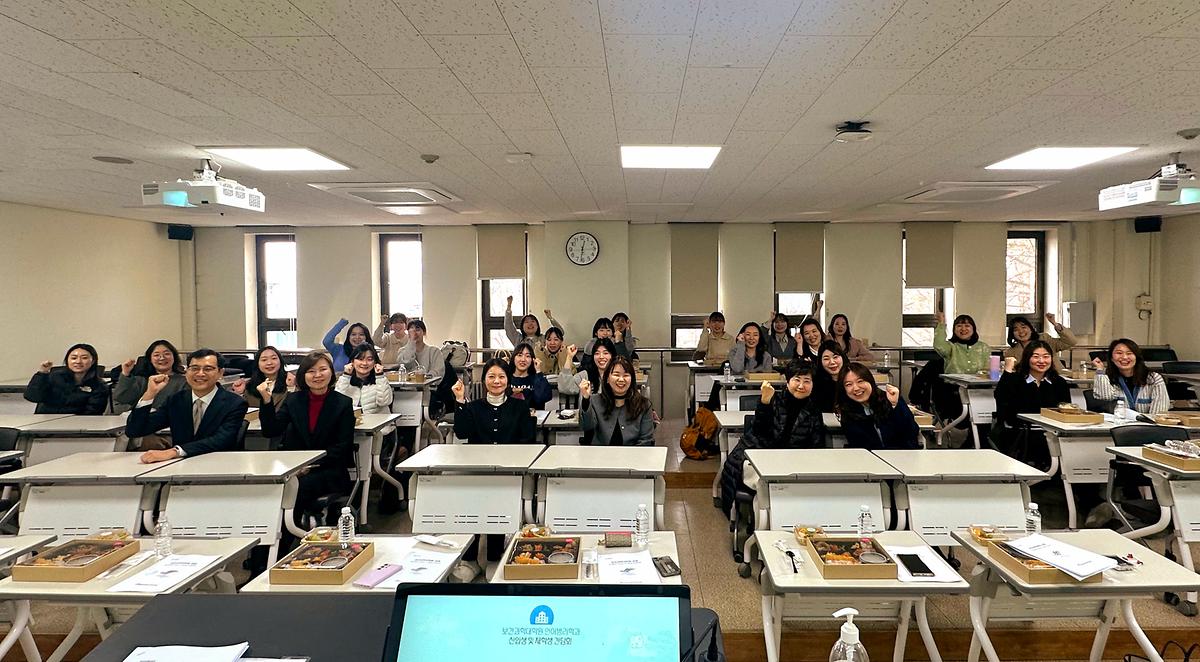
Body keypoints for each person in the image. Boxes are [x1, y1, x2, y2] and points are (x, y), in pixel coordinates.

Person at [257, 351, 356, 522]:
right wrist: (266, 400)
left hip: (328, 470)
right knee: (269, 489)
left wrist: (308, 465)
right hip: (294, 469)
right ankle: (274, 533)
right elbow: (271, 431)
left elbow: (343, 446)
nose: (317, 375)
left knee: (296, 488)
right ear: (303, 375)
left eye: (322, 369)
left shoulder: (343, 403)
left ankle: (287, 534)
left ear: (331, 372)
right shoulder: (293, 400)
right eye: (311, 371)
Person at [720, 362, 825, 514]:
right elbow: (760, 431)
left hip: (791, 463)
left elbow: (817, 446)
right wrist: (764, 402)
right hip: (757, 456)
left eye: (807, 381)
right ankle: (763, 522)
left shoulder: (814, 410)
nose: (801, 386)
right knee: (766, 485)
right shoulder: (773, 399)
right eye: (797, 380)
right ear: (787, 381)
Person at [126, 349, 248, 463]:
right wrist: (150, 393)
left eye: (208, 369)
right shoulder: (176, 400)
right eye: (194, 368)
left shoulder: (234, 403)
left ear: (220, 373)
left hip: (219, 464)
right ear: (186, 371)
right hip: (181, 465)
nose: (200, 374)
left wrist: (174, 452)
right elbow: (135, 430)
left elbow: (221, 440)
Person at [992, 341, 1071, 465]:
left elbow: (1065, 409)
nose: (1041, 361)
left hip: (1051, 434)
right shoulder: (1015, 379)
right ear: (1027, 358)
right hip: (1021, 433)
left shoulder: (1058, 382)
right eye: (1036, 356)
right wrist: (1007, 371)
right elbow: (1001, 399)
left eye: (1046, 357)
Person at [450, 358, 537, 444]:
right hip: (480, 453)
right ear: (484, 380)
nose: (496, 381)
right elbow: (461, 434)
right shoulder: (473, 407)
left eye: (501, 377)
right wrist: (459, 399)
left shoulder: (520, 406)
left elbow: (528, 440)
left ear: (508, 380)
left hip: (511, 453)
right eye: (491, 376)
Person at [836, 363, 920, 451]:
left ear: (870, 381)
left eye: (860, 381)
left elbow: (912, 431)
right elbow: (860, 443)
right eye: (849, 384)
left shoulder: (889, 398)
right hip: (869, 457)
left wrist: (895, 405)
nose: (856, 388)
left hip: (903, 455)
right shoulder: (847, 411)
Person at [579, 356, 654, 446]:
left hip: (634, 453)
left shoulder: (644, 405)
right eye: (616, 375)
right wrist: (586, 399)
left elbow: (646, 440)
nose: (621, 379)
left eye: (626, 375)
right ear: (607, 378)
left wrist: (631, 454)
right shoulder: (595, 401)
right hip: (600, 453)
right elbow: (586, 426)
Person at [24, 343, 109, 415]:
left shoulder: (99, 385)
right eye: (74, 358)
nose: (78, 361)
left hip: (77, 425)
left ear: (93, 361)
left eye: (84, 358)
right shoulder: (54, 377)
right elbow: (32, 397)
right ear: (67, 360)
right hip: (45, 423)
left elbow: (93, 413)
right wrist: (42, 373)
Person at [1091, 338, 1170, 414]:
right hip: (1118, 422)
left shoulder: (1154, 378)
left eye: (1129, 353)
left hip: (1148, 423)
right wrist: (1100, 370)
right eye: (1119, 353)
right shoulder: (1108, 377)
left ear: (1136, 357)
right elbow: (1104, 396)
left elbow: (1159, 412)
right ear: (1111, 358)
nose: (1124, 357)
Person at [112, 340, 187, 412]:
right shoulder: (142, 380)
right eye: (156, 355)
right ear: (150, 359)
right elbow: (121, 398)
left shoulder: (184, 381)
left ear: (174, 357)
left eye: (167, 354)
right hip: (142, 418)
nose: (162, 358)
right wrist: (125, 373)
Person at [335, 344, 394, 414]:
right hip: (353, 420)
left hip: (377, 420)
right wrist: (346, 376)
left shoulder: (381, 380)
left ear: (375, 362)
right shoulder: (345, 380)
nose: (365, 363)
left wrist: (380, 376)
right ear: (352, 361)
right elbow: (337, 402)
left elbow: (384, 402)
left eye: (369, 359)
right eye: (360, 359)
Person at [1003, 313, 1078, 364]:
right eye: (1016, 329)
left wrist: (1055, 323)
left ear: (1031, 329)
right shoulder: (1011, 353)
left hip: (1053, 379)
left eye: (1023, 327)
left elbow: (1071, 341)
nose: (1021, 331)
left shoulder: (1045, 339)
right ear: (1012, 334)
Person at [508, 342, 553, 411]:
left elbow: (542, 398)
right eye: (519, 355)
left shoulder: (536, 378)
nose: (523, 359)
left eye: (527, 356)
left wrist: (538, 371)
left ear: (533, 359)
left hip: (534, 416)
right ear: (513, 358)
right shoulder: (506, 378)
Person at [811, 340, 847, 413]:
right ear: (820, 361)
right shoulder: (816, 383)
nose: (832, 362)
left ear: (843, 357)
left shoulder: (852, 379)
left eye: (835, 357)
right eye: (826, 359)